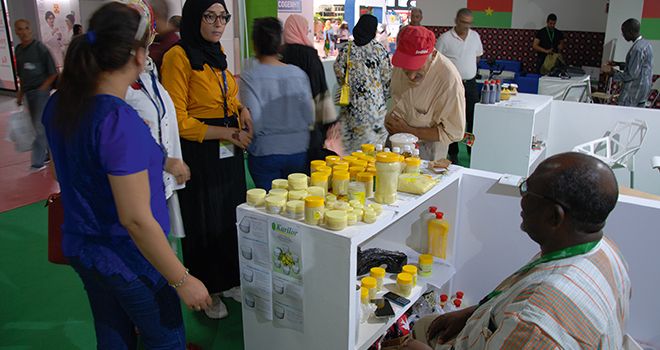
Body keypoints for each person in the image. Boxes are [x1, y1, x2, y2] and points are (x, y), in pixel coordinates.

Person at [41, 3, 212, 348]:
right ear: (137, 55)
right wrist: (182, 280)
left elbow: (64, 167)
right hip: (130, 258)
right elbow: (135, 219)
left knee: (112, 331)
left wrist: (161, 161)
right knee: (165, 338)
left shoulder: (60, 104)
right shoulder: (117, 120)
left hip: (83, 247)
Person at [405, 152, 630, 350]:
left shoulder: (537, 321)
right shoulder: (603, 250)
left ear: (554, 216)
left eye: (527, 192)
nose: (521, 200)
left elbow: (531, 323)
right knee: (426, 325)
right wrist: (471, 314)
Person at [161, 0, 252, 319]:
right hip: (200, 151)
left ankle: (228, 279)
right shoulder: (178, 56)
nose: (218, 24)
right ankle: (207, 287)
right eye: (209, 16)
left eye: (223, 17)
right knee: (203, 218)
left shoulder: (217, 55)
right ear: (193, 18)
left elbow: (228, 96)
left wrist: (242, 110)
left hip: (229, 147)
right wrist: (225, 133)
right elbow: (179, 120)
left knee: (230, 213)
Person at [123, 0, 190, 252]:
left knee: (162, 252)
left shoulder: (149, 72)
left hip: (157, 185)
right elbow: (120, 142)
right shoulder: (113, 88)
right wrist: (164, 160)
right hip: (135, 190)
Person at [240, 17, 313, 190]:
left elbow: (254, 121)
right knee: (295, 206)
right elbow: (309, 115)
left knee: (269, 207)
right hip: (298, 149)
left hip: (265, 152)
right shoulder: (298, 73)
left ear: (255, 44)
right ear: (280, 43)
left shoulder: (250, 77)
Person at [386, 26, 465, 161]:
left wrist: (409, 131)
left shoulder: (448, 81)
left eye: (417, 68)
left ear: (433, 54)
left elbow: (454, 132)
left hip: (426, 151)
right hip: (394, 142)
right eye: (407, 68)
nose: (411, 76)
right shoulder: (399, 65)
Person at [282, 14, 337, 161]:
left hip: (283, 125)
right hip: (308, 124)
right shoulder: (309, 55)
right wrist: (329, 123)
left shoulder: (279, 55)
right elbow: (320, 89)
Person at [334, 14, 391, 155]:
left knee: (352, 152)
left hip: (351, 106)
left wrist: (349, 85)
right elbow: (387, 77)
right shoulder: (378, 49)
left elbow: (338, 71)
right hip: (374, 109)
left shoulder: (346, 49)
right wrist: (382, 96)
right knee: (373, 152)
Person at [436, 8, 483, 165]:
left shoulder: (475, 37)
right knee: (451, 119)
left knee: (472, 119)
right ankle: (453, 153)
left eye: (469, 23)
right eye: (463, 22)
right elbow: (436, 62)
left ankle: (471, 151)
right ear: (456, 20)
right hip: (451, 86)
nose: (466, 26)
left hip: (470, 85)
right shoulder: (444, 39)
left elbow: (477, 57)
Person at [14, 19, 57, 172]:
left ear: (30, 29)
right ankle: (48, 155)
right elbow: (22, 75)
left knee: (39, 127)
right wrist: (20, 94)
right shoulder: (18, 50)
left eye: (26, 28)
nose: (24, 32)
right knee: (37, 127)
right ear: (16, 31)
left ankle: (37, 163)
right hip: (28, 93)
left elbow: (53, 73)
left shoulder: (40, 48)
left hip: (40, 93)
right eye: (20, 29)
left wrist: (42, 89)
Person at [601, 18, 654, 108]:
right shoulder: (646, 44)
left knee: (623, 118)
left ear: (630, 32)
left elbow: (631, 75)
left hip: (633, 91)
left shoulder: (637, 49)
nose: (623, 35)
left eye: (624, 32)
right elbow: (638, 67)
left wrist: (612, 72)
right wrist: (617, 63)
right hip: (643, 91)